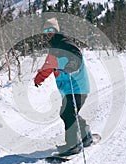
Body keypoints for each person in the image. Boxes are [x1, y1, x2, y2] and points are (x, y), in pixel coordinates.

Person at [34, 18, 93, 156]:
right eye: (46, 30)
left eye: (51, 30)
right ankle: (85, 136)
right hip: (67, 88)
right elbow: (48, 67)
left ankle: (73, 145)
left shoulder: (65, 42)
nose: (48, 33)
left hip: (77, 86)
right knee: (68, 113)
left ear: (56, 30)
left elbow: (76, 55)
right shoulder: (53, 49)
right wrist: (38, 78)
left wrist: (71, 66)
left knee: (68, 113)